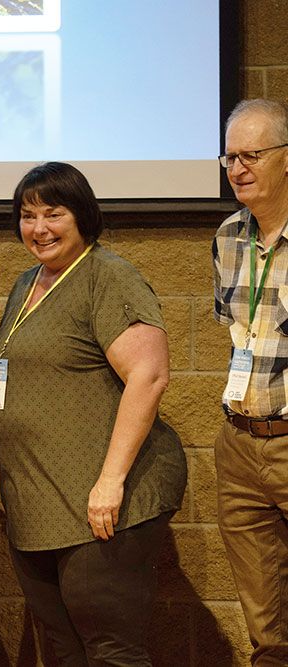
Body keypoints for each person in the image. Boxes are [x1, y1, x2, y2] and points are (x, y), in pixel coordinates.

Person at [0, 161, 186, 666]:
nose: (39, 228)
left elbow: (150, 375)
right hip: (38, 508)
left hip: (100, 507)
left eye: (53, 213)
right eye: (28, 216)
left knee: (112, 652)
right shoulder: (29, 282)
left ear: (83, 216)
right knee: (63, 651)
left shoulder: (108, 277)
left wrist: (111, 482)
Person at [213, 98, 288, 666]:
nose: (238, 168)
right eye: (230, 157)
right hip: (239, 444)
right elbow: (239, 334)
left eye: (252, 155)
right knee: (265, 629)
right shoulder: (228, 236)